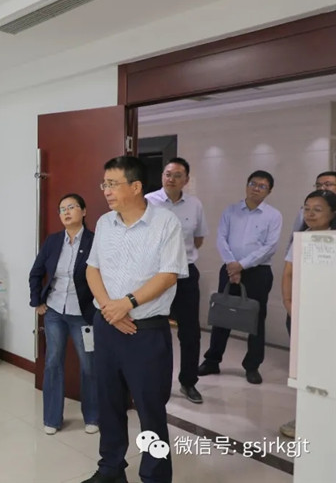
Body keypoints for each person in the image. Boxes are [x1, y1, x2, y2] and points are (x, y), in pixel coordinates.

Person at [81, 156, 187, 483]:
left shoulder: (165, 222)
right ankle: (110, 469)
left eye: (113, 184)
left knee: (150, 409)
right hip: (107, 326)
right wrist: (110, 309)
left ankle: (155, 476)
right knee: (108, 403)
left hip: (146, 331)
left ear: (136, 186)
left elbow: (169, 274)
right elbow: (92, 269)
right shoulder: (104, 223)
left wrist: (126, 304)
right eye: (104, 184)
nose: (106, 191)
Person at [199, 170, 282, 385]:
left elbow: (270, 246)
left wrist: (241, 265)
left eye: (262, 186)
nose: (256, 189)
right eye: (253, 184)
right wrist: (232, 265)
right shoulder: (231, 210)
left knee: (256, 318)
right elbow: (221, 238)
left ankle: (252, 366)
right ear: (246, 185)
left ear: (269, 191)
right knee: (222, 314)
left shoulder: (273, 215)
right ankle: (212, 360)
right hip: (229, 269)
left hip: (258, 272)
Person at [28, 193, 98, 436]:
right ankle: (52, 418)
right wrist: (37, 301)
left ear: (84, 211)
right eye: (62, 209)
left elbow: (105, 276)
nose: (66, 212)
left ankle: (92, 416)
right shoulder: (53, 241)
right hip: (55, 311)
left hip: (84, 314)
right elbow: (36, 272)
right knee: (52, 363)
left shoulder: (94, 241)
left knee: (89, 365)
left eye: (71, 207)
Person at [145, 158, 208, 404]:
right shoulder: (149, 201)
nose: (171, 178)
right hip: (156, 274)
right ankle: (155, 381)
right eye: (167, 174)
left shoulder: (195, 204)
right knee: (154, 329)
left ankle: (188, 382)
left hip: (185, 273)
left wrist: (180, 256)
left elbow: (198, 239)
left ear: (186, 180)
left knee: (190, 331)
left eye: (177, 175)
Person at [278, 190, 336, 438]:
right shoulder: (301, 238)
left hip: (329, 316)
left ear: (333, 213)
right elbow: (288, 273)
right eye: (306, 208)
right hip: (303, 314)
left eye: (317, 209)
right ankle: (307, 416)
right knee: (307, 371)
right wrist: (289, 303)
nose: (310, 214)